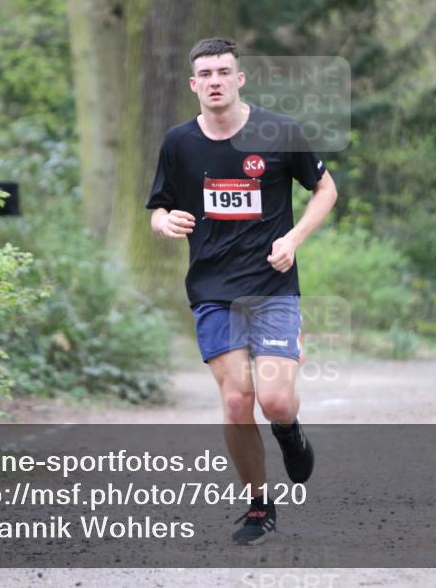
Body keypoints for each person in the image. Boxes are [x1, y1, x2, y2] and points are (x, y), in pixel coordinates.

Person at [146, 38, 337, 545]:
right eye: (204, 73)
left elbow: (326, 188)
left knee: (274, 401)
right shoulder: (179, 143)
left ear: (238, 78)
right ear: (194, 84)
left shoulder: (277, 132)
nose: (213, 80)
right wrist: (165, 223)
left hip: (271, 286)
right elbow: (158, 208)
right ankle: (258, 504)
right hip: (212, 289)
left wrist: (294, 239)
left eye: (222, 71)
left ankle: (289, 429)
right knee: (236, 403)